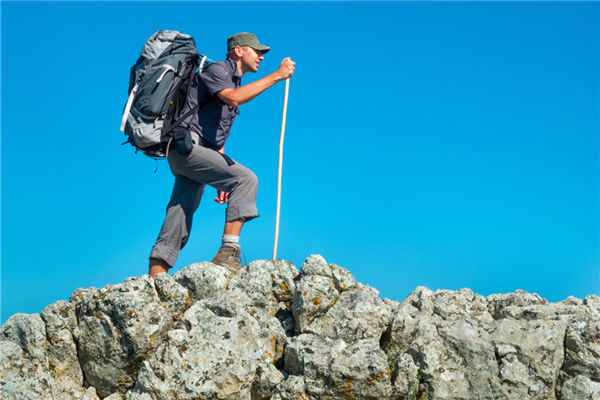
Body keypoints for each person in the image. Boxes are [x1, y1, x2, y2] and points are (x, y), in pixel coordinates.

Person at [148, 32, 295, 279]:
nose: (261, 56)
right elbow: (233, 98)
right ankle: (228, 252)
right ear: (238, 50)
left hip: (189, 151)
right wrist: (277, 76)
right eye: (256, 50)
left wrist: (221, 172)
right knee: (246, 179)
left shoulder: (232, 81)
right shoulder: (219, 70)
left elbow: (216, 134)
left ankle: (156, 273)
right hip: (188, 148)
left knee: (180, 209)